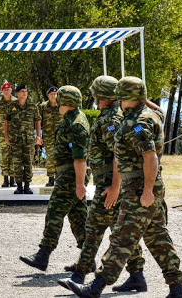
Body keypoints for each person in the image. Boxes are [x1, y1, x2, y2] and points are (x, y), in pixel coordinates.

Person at [67, 76, 182, 298]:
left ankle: (95, 287)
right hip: (147, 187)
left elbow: (150, 157)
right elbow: (159, 110)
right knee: (158, 238)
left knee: (122, 238)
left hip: (139, 188)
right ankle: (177, 289)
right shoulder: (151, 114)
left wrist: (147, 191)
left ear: (122, 96)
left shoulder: (137, 123)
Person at [58, 76, 144, 291]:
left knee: (94, 228)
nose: (93, 96)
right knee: (120, 231)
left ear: (101, 95)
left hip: (110, 185)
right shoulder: (110, 115)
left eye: (95, 92)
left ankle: (79, 274)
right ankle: (137, 275)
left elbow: (118, 154)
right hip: (109, 183)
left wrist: (115, 187)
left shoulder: (111, 119)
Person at [20, 85, 89, 271]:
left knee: (54, 212)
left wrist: (80, 184)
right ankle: (87, 260)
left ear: (68, 102)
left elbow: (80, 157)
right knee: (78, 218)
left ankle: (43, 255)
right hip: (67, 174)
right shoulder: (70, 119)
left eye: (60, 99)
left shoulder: (76, 124)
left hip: (71, 176)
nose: (57, 102)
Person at [3, 84, 42, 194]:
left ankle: (27, 186)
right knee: (17, 163)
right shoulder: (11, 106)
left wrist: (38, 136)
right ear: (17, 93)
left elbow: (38, 120)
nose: (24, 93)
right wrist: (6, 137)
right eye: (22, 91)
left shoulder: (33, 106)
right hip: (15, 140)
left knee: (28, 163)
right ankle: (19, 186)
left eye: (26, 91)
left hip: (29, 140)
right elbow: (6, 121)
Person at [0, 82, 17, 187]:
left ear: (11, 90)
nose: (6, 91)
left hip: (14, 134)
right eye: (4, 90)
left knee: (14, 156)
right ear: (2, 91)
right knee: (4, 156)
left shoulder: (16, 102)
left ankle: (13, 179)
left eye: (8, 89)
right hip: (1, 134)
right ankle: (5, 179)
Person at [39, 86, 62, 187]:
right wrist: (38, 136)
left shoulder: (62, 106)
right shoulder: (43, 107)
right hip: (48, 136)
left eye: (55, 93)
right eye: (51, 94)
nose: (53, 95)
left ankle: (60, 178)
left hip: (61, 136)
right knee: (50, 158)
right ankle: (51, 179)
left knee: (61, 157)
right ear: (48, 95)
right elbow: (38, 121)